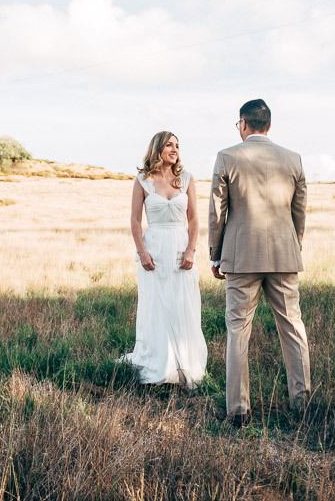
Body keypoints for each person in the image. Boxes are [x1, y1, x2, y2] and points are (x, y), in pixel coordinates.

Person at [208, 99, 311, 426]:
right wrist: (293, 246)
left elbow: (217, 211)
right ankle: (302, 404)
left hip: (241, 257)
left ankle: (239, 411)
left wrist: (215, 254)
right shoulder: (293, 159)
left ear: (243, 123)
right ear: (268, 125)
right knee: (293, 327)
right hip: (284, 254)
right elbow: (299, 211)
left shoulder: (227, 157)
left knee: (238, 331)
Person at [122, 131, 208, 388]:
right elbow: (135, 219)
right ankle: (160, 362)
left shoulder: (186, 179)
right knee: (156, 306)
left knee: (183, 303)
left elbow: (194, 218)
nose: (175, 149)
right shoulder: (143, 181)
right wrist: (142, 252)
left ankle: (185, 363)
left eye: (177, 145)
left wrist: (191, 250)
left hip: (181, 248)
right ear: (157, 148)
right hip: (155, 249)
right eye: (169, 145)